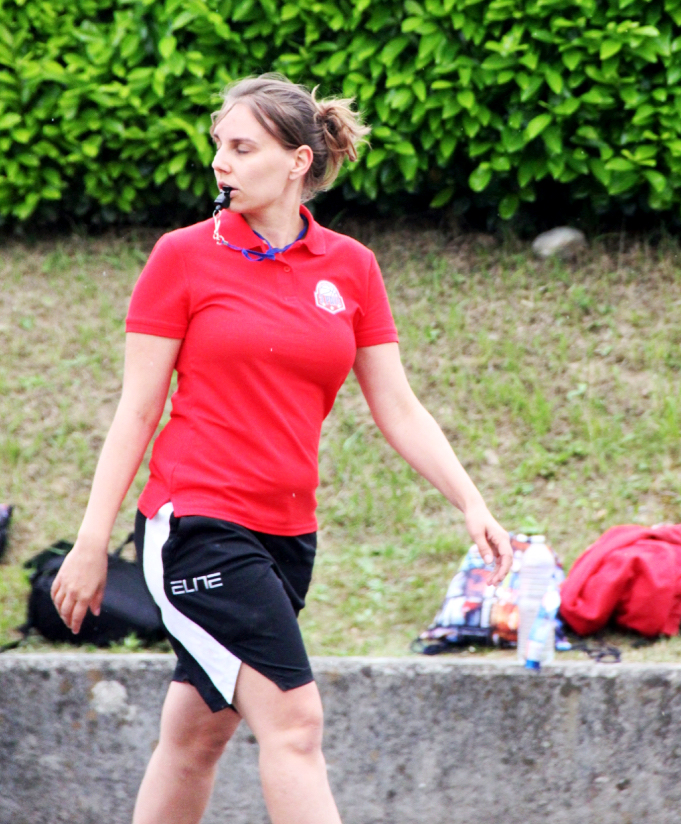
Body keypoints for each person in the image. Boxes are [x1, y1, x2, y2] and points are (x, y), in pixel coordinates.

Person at [50, 73, 513, 824]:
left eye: (242, 148)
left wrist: (472, 502)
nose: (220, 162)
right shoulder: (181, 256)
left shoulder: (351, 267)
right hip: (196, 524)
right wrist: (91, 541)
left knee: (195, 737)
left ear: (298, 161)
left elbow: (397, 405)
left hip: (289, 536)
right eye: (218, 146)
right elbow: (137, 412)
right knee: (294, 724)